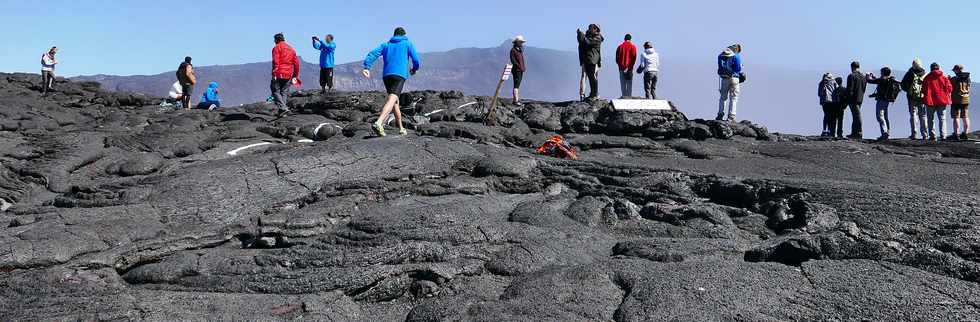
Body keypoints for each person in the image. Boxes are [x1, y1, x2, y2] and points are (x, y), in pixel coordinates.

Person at [362, 27, 421, 137]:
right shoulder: (407, 43)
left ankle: (401, 128)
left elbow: (373, 54)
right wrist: (414, 69)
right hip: (399, 75)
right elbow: (416, 59)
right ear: (404, 35)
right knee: (392, 99)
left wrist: (367, 67)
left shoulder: (386, 44)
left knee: (395, 102)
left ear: (394, 35)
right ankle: (379, 123)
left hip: (387, 76)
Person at [866, 67, 901, 140]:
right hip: (887, 100)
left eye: (881, 72)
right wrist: (874, 77)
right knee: (885, 117)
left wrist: (867, 76)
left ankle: (884, 133)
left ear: (883, 73)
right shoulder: (889, 80)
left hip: (881, 100)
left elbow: (869, 81)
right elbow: (878, 81)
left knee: (880, 116)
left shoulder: (882, 80)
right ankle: (887, 132)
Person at [271, 33, 300, 116]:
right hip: (289, 74)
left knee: (275, 90)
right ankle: (282, 112)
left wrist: (274, 73)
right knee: (284, 92)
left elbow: (276, 62)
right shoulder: (291, 49)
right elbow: (296, 63)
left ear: (277, 40)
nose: (274, 41)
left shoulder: (276, 48)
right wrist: (295, 75)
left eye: (274, 40)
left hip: (279, 72)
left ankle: (283, 108)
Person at [922, 62, 953, 141]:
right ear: (939, 68)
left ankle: (932, 136)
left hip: (930, 101)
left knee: (930, 119)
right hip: (942, 101)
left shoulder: (927, 78)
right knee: (942, 119)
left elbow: (923, 90)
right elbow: (950, 89)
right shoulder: (944, 78)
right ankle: (943, 135)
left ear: (931, 68)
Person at [900, 59, 927, 140]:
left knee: (913, 115)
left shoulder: (909, 74)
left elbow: (903, 84)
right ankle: (925, 134)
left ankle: (914, 133)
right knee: (923, 115)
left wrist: (908, 91)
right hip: (922, 97)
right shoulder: (925, 74)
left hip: (911, 97)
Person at [577, 24, 604, 101]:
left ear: (596, 29)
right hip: (589, 59)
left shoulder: (597, 38)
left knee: (592, 77)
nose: (589, 29)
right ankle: (593, 94)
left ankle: (594, 94)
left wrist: (581, 34)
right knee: (591, 77)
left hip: (592, 60)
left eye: (591, 28)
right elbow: (582, 42)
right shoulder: (591, 37)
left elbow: (588, 42)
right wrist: (580, 35)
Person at [716, 44, 743, 122]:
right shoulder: (736, 56)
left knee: (723, 97)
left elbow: (719, 67)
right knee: (734, 98)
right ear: (736, 49)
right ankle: (731, 117)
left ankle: (720, 115)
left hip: (724, 78)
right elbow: (738, 68)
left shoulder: (721, 55)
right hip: (734, 78)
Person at [845, 61, 867, 139]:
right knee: (855, 115)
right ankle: (854, 133)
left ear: (852, 67)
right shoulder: (863, 76)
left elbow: (849, 89)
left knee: (857, 116)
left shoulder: (851, 76)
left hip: (853, 99)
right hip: (860, 98)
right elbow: (864, 88)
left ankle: (858, 133)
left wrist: (847, 99)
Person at [949, 64, 971, 141]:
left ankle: (956, 134)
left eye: (954, 70)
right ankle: (966, 133)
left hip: (956, 100)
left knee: (956, 117)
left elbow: (950, 88)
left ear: (957, 70)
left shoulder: (954, 79)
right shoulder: (968, 78)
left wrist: (949, 79)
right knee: (965, 117)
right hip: (966, 99)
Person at [615, 34, 637, 98]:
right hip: (629, 68)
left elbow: (617, 58)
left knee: (623, 83)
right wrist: (630, 67)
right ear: (630, 39)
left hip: (621, 68)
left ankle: (624, 96)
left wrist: (620, 65)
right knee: (629, 83)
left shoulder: (620, 47)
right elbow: (634, 58)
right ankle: (629, 96)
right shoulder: (633, 47)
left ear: (624, 39)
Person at [510, 35, 527, 106]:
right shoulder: (513, 50)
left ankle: (516, 99)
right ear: (517, 42)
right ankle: (515, 101)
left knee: (517, 85)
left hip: (520, 70)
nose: (521, 43)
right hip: (516, 70)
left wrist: (523, 67)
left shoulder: (520, 50)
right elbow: (513, 61)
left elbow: (521, 60)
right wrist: (519, 67)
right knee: (516, 85)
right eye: (520, 42)